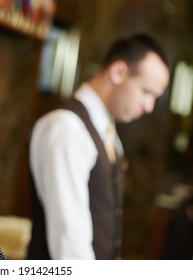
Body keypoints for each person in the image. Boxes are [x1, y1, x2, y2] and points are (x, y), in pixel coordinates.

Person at [27, 34, 170, 260]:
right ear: (118, 72)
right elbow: (70, 240)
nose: (149, 106)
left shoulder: (108, 134)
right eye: (146, 92)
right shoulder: (66, 128)